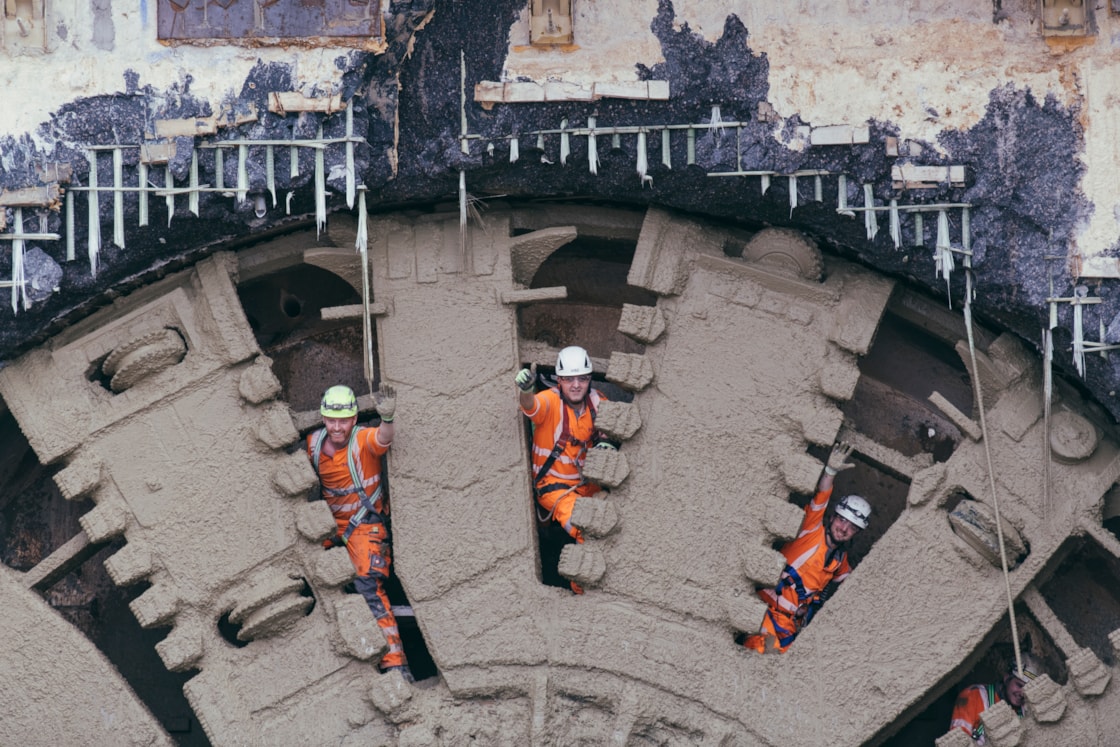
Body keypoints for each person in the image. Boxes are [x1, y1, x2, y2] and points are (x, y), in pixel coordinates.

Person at [307, 383, 410, 680]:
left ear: (353, 419)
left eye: (343, 421)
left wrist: (387, 419)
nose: (337, 427)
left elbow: (383, 438)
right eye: (331, 420)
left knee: (368, 586)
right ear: (324, 419)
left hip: (365, 527)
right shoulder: (314, 444)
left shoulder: (362, 440)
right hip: (332, 529)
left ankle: (394, 663)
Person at [744, 442, 871, 653]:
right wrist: (830, 472)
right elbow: (822, 496)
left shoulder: (840, 561)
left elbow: (860, 584)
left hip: (789, 627)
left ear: (856, 533)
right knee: (764, 654)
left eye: (852, 527)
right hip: (764, 611)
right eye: (842, 520)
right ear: (832, 518)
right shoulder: (812, 530)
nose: (844, 528)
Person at [516, 345, 613, 593]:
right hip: (555, 488)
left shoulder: (598, 401)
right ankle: (580, 592)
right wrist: (526, 391)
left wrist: (606, 441)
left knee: (614, 526)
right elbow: (531, 407)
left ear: (589, 379)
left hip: (589, 488)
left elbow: (609, 429)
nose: (576, 384)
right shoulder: (550, 400)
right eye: (569, 379)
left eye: (582, 378)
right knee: (586, 531)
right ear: (559, 380)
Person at [949, 653, 1043, 744]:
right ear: (1006, 678)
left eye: (1028, 688)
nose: (1023, 693)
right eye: (1019, 685)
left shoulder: (1028, 707)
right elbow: (957, 742)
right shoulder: (974, 696)